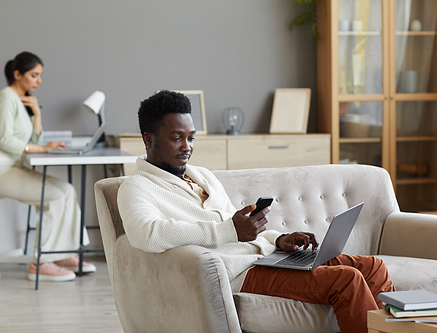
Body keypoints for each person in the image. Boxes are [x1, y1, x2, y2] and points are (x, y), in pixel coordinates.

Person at [117, 90, 395, 333]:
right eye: (177, 138)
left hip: (265, 256)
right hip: (240, 271)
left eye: (191, 138)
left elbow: (235, 225)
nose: (187, 147)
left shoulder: (201, 175)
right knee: (347, 280)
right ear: (148, 138)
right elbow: (147, 235)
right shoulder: (137, 187)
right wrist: (229, 231)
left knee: (373, 267)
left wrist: (277, 239)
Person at [0, 51, 96, 282]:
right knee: (52, 195)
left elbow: (32, 142)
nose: (39, 81)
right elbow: (5, 141)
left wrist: (37, 113)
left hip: (12, 166)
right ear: (17, 74)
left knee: (67, 191)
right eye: (34, 75)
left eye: (40, 75)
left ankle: (61, 254)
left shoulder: (23, 102)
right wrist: (43, 148)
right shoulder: (5, 98)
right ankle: (41, 263)